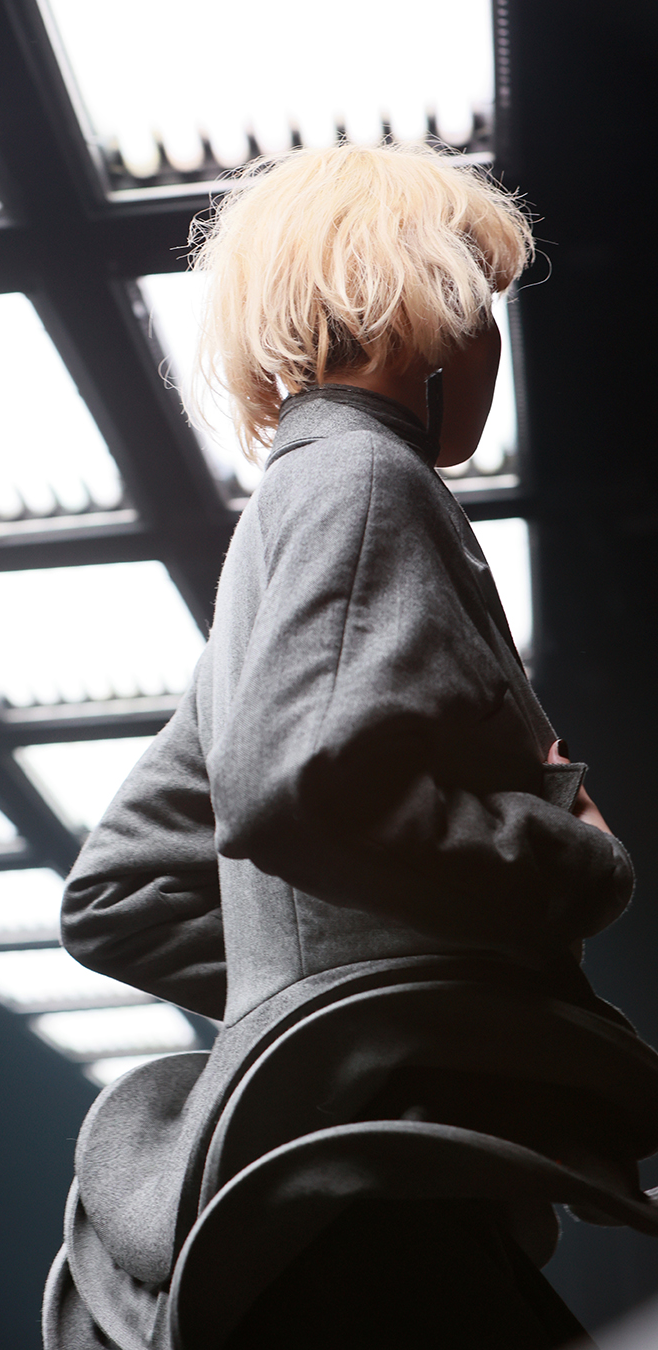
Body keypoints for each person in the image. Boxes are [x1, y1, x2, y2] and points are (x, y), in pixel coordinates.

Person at [43, 143, 658, 1350]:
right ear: (421, 306)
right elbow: (300, 784)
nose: (490, 344)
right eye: (480, 305)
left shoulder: (287, 512)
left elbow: (120, 891)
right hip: (373, 1184)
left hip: (307, 1182)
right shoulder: (373, 483)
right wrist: (570, 851)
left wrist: (334, 992)